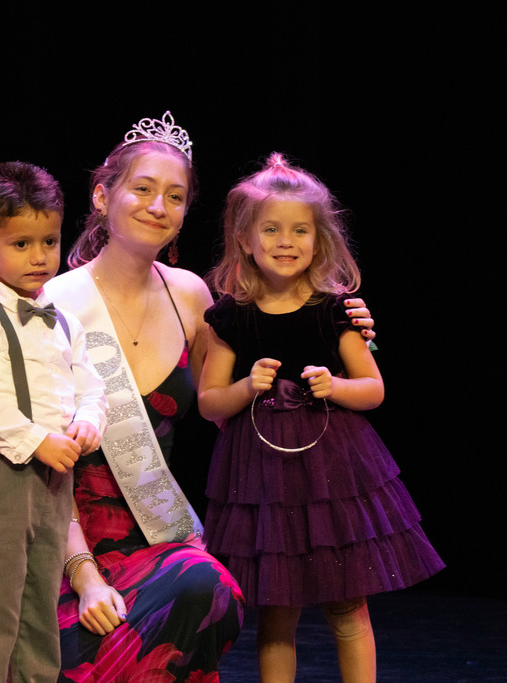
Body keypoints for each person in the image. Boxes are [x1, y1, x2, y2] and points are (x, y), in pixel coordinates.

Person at [44, 114, 377, 681]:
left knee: (214, 588)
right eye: (142, 189)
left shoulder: (192, 296)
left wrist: (346, 336)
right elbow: (36, 461)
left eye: (174, 196)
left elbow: (228, 405)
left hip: (158, 533)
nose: (158, 206)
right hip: (65, 538)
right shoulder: (53, 301)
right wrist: (82, 572)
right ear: (103, 195)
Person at [198, 153, 444, 682]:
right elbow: (208, 401)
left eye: (300, 230)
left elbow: (374, 389)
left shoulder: (337, 310)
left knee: (347, 605)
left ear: (318, 239)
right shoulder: (230, 315)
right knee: (277, 611)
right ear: (245, 239)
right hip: (262, 478)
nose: (286, 241)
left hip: (333, 473)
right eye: (270, 229)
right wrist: (245, 386)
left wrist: (335, 387)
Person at [0, 162, 108, 682]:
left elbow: (90, 385)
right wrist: (35, 439)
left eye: (49, 241)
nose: (39, 256)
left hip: (55, 478)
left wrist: (86, 420)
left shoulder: (63, 318)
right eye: (21, 244)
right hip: (1, 475)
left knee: (41, 600)